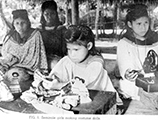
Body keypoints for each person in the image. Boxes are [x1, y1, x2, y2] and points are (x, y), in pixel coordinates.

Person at [37, 25, 123, 106]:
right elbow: (55, 77)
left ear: (89, 46)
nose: (72, 54)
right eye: (68, 49)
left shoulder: (96, 63)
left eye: (76, 49)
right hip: (77, 99)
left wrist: (59, 85)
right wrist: (46, 82)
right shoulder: (67, 60)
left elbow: (83, 87)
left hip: (100, 99)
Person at [117, 3, 158, 112]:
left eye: (146, 23)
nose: (143, 27)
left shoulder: (156, 40)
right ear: (130, 24)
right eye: (139, 24)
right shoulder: (124, 43)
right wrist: (128, 74)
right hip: (134, 84)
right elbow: (124, 67)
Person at [0, 9, 48, 93]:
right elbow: (6, 55)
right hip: (12, 67)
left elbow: (40, 53)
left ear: (28, 22)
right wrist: (7, 64)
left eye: (23, 23)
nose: (20, 26)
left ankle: (15, 97)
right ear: (13, 24)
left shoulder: (35, 34)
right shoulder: (10, 36)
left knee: (15, 77)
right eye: (17, 23)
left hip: (29, 69)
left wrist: (41, 70)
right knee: (10, 76)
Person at [39, 0, 67, 71]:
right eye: (46, 14)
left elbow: (66, 49)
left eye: (52, 14)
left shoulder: (62, 30)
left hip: (58, 60)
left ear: (56, 14)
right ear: (42, 15)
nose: (49, 17)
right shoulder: (38, 31)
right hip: (41, 61)